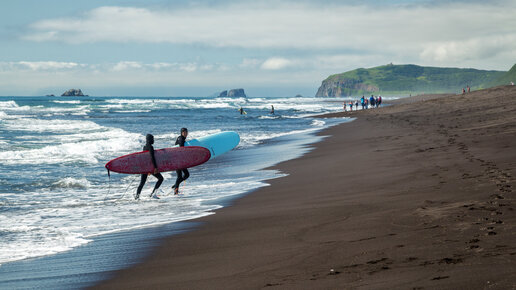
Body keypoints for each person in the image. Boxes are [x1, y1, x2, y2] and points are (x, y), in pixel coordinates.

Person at [135, 134, 163, 200]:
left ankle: (137, 197)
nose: (153, 140)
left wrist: (147, 170)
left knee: (142, 182)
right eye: (152, 139)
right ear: (150, 139)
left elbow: (145, 158)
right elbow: (152, 158)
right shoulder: (150, 147)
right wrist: (155, 168)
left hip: (144, 167)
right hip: (150, 167)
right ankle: (153, 194)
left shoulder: (144, 147)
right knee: (161, 179)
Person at [172, 128, 190, 195]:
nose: (185, 134)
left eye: (186, 132)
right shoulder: (180, 138)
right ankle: (175, 190)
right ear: (181, 133)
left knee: (183, 175)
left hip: (179, 160)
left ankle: (175, 186)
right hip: (178, 160)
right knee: (184, 175)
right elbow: (181, 147)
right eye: (184, 132)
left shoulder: (182, 139)